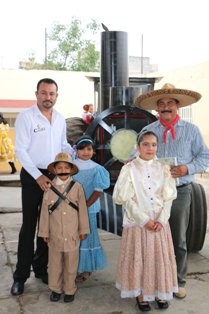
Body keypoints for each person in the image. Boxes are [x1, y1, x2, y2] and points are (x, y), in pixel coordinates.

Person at [135, 83, 209, 299]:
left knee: (178, 239)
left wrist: (187, 168)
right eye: (161, 104)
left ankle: (178, 281)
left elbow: (205, 156)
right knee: (152, 237)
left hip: (179, 192)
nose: (166, 107)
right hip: (152, 194)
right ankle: (155, 280)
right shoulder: (148, 132)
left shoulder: (191, 130)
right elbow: (135, 155)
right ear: (157, 109)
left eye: (170, 103)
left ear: (177, 106)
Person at [11, 78, 73, 296]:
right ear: (36, 94)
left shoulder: (59, 118)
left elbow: (62, 144)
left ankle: (40, 269)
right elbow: (21, 151)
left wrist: (72, 153)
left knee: (48, 227)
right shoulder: (26, 117)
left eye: (52, 94)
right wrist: (38, 177)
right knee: (29, 227)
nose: (48, 97)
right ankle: (20, 277)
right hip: (32, 176)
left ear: (57, 95)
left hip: (54, 176)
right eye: (44, 93)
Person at [113, 130, 178, 311]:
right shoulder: (129, 169)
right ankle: (141, 295)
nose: (150, 148)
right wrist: (144, 220)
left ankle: (159, 292)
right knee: (140, 259)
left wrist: (161, 220)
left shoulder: (164, 168)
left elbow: (169, 197)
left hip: (159, 222)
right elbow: (126, 199)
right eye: (146, 144)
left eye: (154, 144)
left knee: (158, 259)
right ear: (138, 147)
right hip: (138, 223)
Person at [38, 152, 90, 303]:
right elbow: (44, 212)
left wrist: (83, 230)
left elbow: (82, 211)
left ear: (71, 169)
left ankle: (69, 290)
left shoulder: (77, 187)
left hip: (73, 234)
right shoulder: (49, 189)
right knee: (54, 265)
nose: (62, 170)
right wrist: (44, 231)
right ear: (54, 170)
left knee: (71, 265)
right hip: (54, 235)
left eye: (65, 167)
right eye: (59, 167)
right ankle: (55, 289)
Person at [72, 136, 110, 282]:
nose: (86, 152)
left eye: (89, 149)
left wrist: (85, 205)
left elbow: (97, 190)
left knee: (88, 236)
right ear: (77, 150)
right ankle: (73, 267)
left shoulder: (97, 169)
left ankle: (87, 268)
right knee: (74, 236)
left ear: (93, 151)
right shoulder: (71, 167)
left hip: (89, 208)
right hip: (72, 208)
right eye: (82, 149)